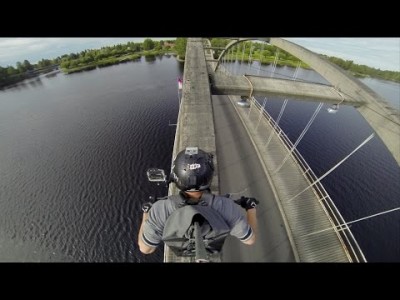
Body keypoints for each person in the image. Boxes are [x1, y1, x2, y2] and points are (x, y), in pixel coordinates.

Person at [138, 146, 258, 255]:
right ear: (209, 177)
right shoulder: (226, 206)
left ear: (177, 177)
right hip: (210, 249)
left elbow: (145, 249)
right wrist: (250, 208)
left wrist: (146, 213)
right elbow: (250, 240)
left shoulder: (161, 209)